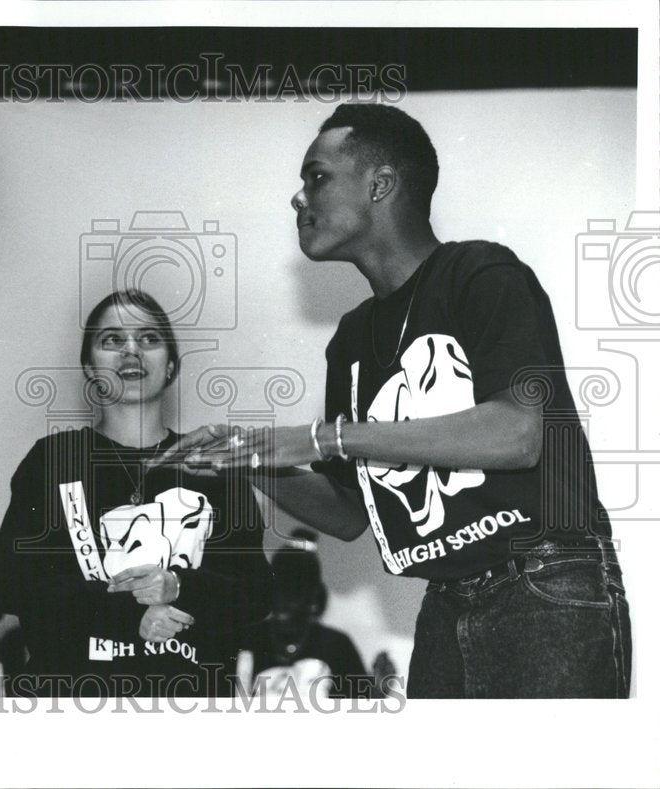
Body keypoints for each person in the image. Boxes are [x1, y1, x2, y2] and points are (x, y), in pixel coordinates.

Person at [157, 103, 631, 699]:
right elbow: (352, 514)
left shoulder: (481, 272)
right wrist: (247, 457)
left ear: (380, 184)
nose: (299, 198)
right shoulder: (351, 341)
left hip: (544, 584)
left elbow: (517, 433)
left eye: (318, 177)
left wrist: (324, 436)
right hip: (444, 601)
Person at [0, 290, 272, 697]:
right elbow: (15, 582)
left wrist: (178, 587)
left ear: (172, 365)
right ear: (89, 367)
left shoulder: (213, 466)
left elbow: (255, 593)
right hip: (69, 703)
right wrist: (127, 613)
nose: (131, 351)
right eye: (112, 340)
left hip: (188, 706)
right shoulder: (54, 460)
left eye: (149, 339)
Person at [240, 528, 369, 699]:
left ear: (313, 599)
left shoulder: (337, 647)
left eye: (292, 592)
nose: (281, 601)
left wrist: (378, 691)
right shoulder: (248, 638)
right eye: (276, 588)